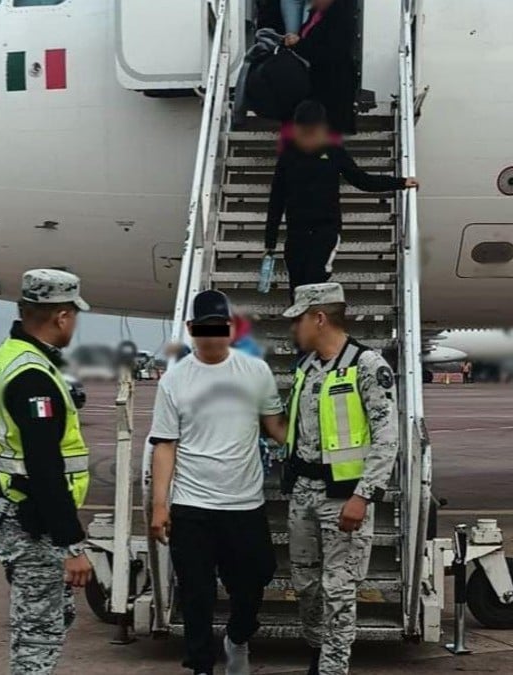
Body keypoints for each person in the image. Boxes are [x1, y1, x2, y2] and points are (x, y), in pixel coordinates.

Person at [149, 290, 288, 675]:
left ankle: (238, 638)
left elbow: (274, 425)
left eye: (219, 327)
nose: (211, 336)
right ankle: (202, 666)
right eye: (203, 329)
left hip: (244, 504)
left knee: (255, 579)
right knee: (197, 594)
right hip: (192, 505)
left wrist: (306, 438)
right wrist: (160, 505)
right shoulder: (174, 381)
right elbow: (165, 445)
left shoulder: (255, 372)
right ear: (192, 329)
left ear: (230, 328)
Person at [282, 283, 400, 675]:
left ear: (319, 318)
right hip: (304, 494)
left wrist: (363, 496)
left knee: (339, 590)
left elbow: (387, 437)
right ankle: (318, 647)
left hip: (344, 498)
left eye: (299, 319)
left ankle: (333, 667)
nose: (294, 328)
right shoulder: (305, 367)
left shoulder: (367, 366)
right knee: (305, 585)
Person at [0, 269, 94, 675]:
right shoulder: (34, 377)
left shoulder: (10, 355)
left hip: (11, 508)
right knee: (38, 633)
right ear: (62, 316)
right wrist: (73, 545)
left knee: (48, 619)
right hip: (33, 521)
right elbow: (45, 466)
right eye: (74, 317)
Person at [265, 100, 417, 301]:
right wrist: (270, 241)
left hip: (325, 229)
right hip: (296, 231)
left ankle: (317, 325)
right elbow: (277, 199)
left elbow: (362, 180)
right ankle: (301, 328)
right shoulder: (288, 156)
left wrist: (401, 182)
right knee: (297, 285)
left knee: (315, 278)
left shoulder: (334, 152)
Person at [286, 0, 358, 135]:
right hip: (317, 83)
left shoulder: (341, 16)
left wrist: (299, 44)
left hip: (334, 85)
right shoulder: (316, 13)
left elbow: (331, 51)